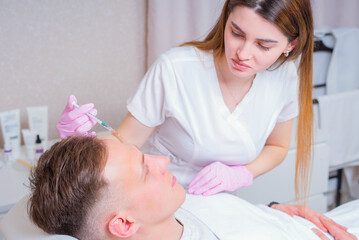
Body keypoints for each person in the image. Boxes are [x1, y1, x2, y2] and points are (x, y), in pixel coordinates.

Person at [56, 0, 314, 198]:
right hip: (159, 199)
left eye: (263, 45)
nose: (243, 53)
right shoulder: (175, 69)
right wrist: (75, 142)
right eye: (236, 33)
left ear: (291, 45)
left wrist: (242, 174)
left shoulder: (285, 77)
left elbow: (278, 147)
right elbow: (126, 140)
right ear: (226, 20)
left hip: (220, 203)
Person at [28, 136, 357, 240]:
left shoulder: (171, 206)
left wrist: (272, 211)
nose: (162, 161)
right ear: (123, 224)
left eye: (145, 155)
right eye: (145, 171)